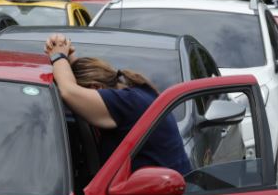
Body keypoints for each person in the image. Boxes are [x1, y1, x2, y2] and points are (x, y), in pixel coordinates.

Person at [44, 33, 191, 175]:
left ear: (96, 88)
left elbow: (69, 91)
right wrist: (66, 54)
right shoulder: (136, 95)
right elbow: (74, 81)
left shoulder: (125, 103)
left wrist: (58, 57)